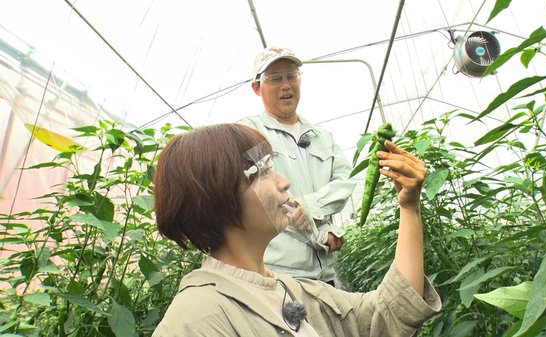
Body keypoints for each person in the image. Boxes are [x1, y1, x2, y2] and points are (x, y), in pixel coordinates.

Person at [152, 123, 441, 337]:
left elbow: (388, 313)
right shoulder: (195, 319)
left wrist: (409, 207)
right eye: (260, 172)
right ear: (215, 198)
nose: (283, 182)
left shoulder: (293, 291)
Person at [238, 46, 356, 285]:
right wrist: (320, 232)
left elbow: (345, 180)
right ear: (256, 88)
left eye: (292, 76)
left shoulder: (322, 136)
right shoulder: (250, 134)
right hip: (281, 274)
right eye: (275, 78)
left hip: (328, 274)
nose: (286, 85)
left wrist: (325, 222)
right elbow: (264, 198)